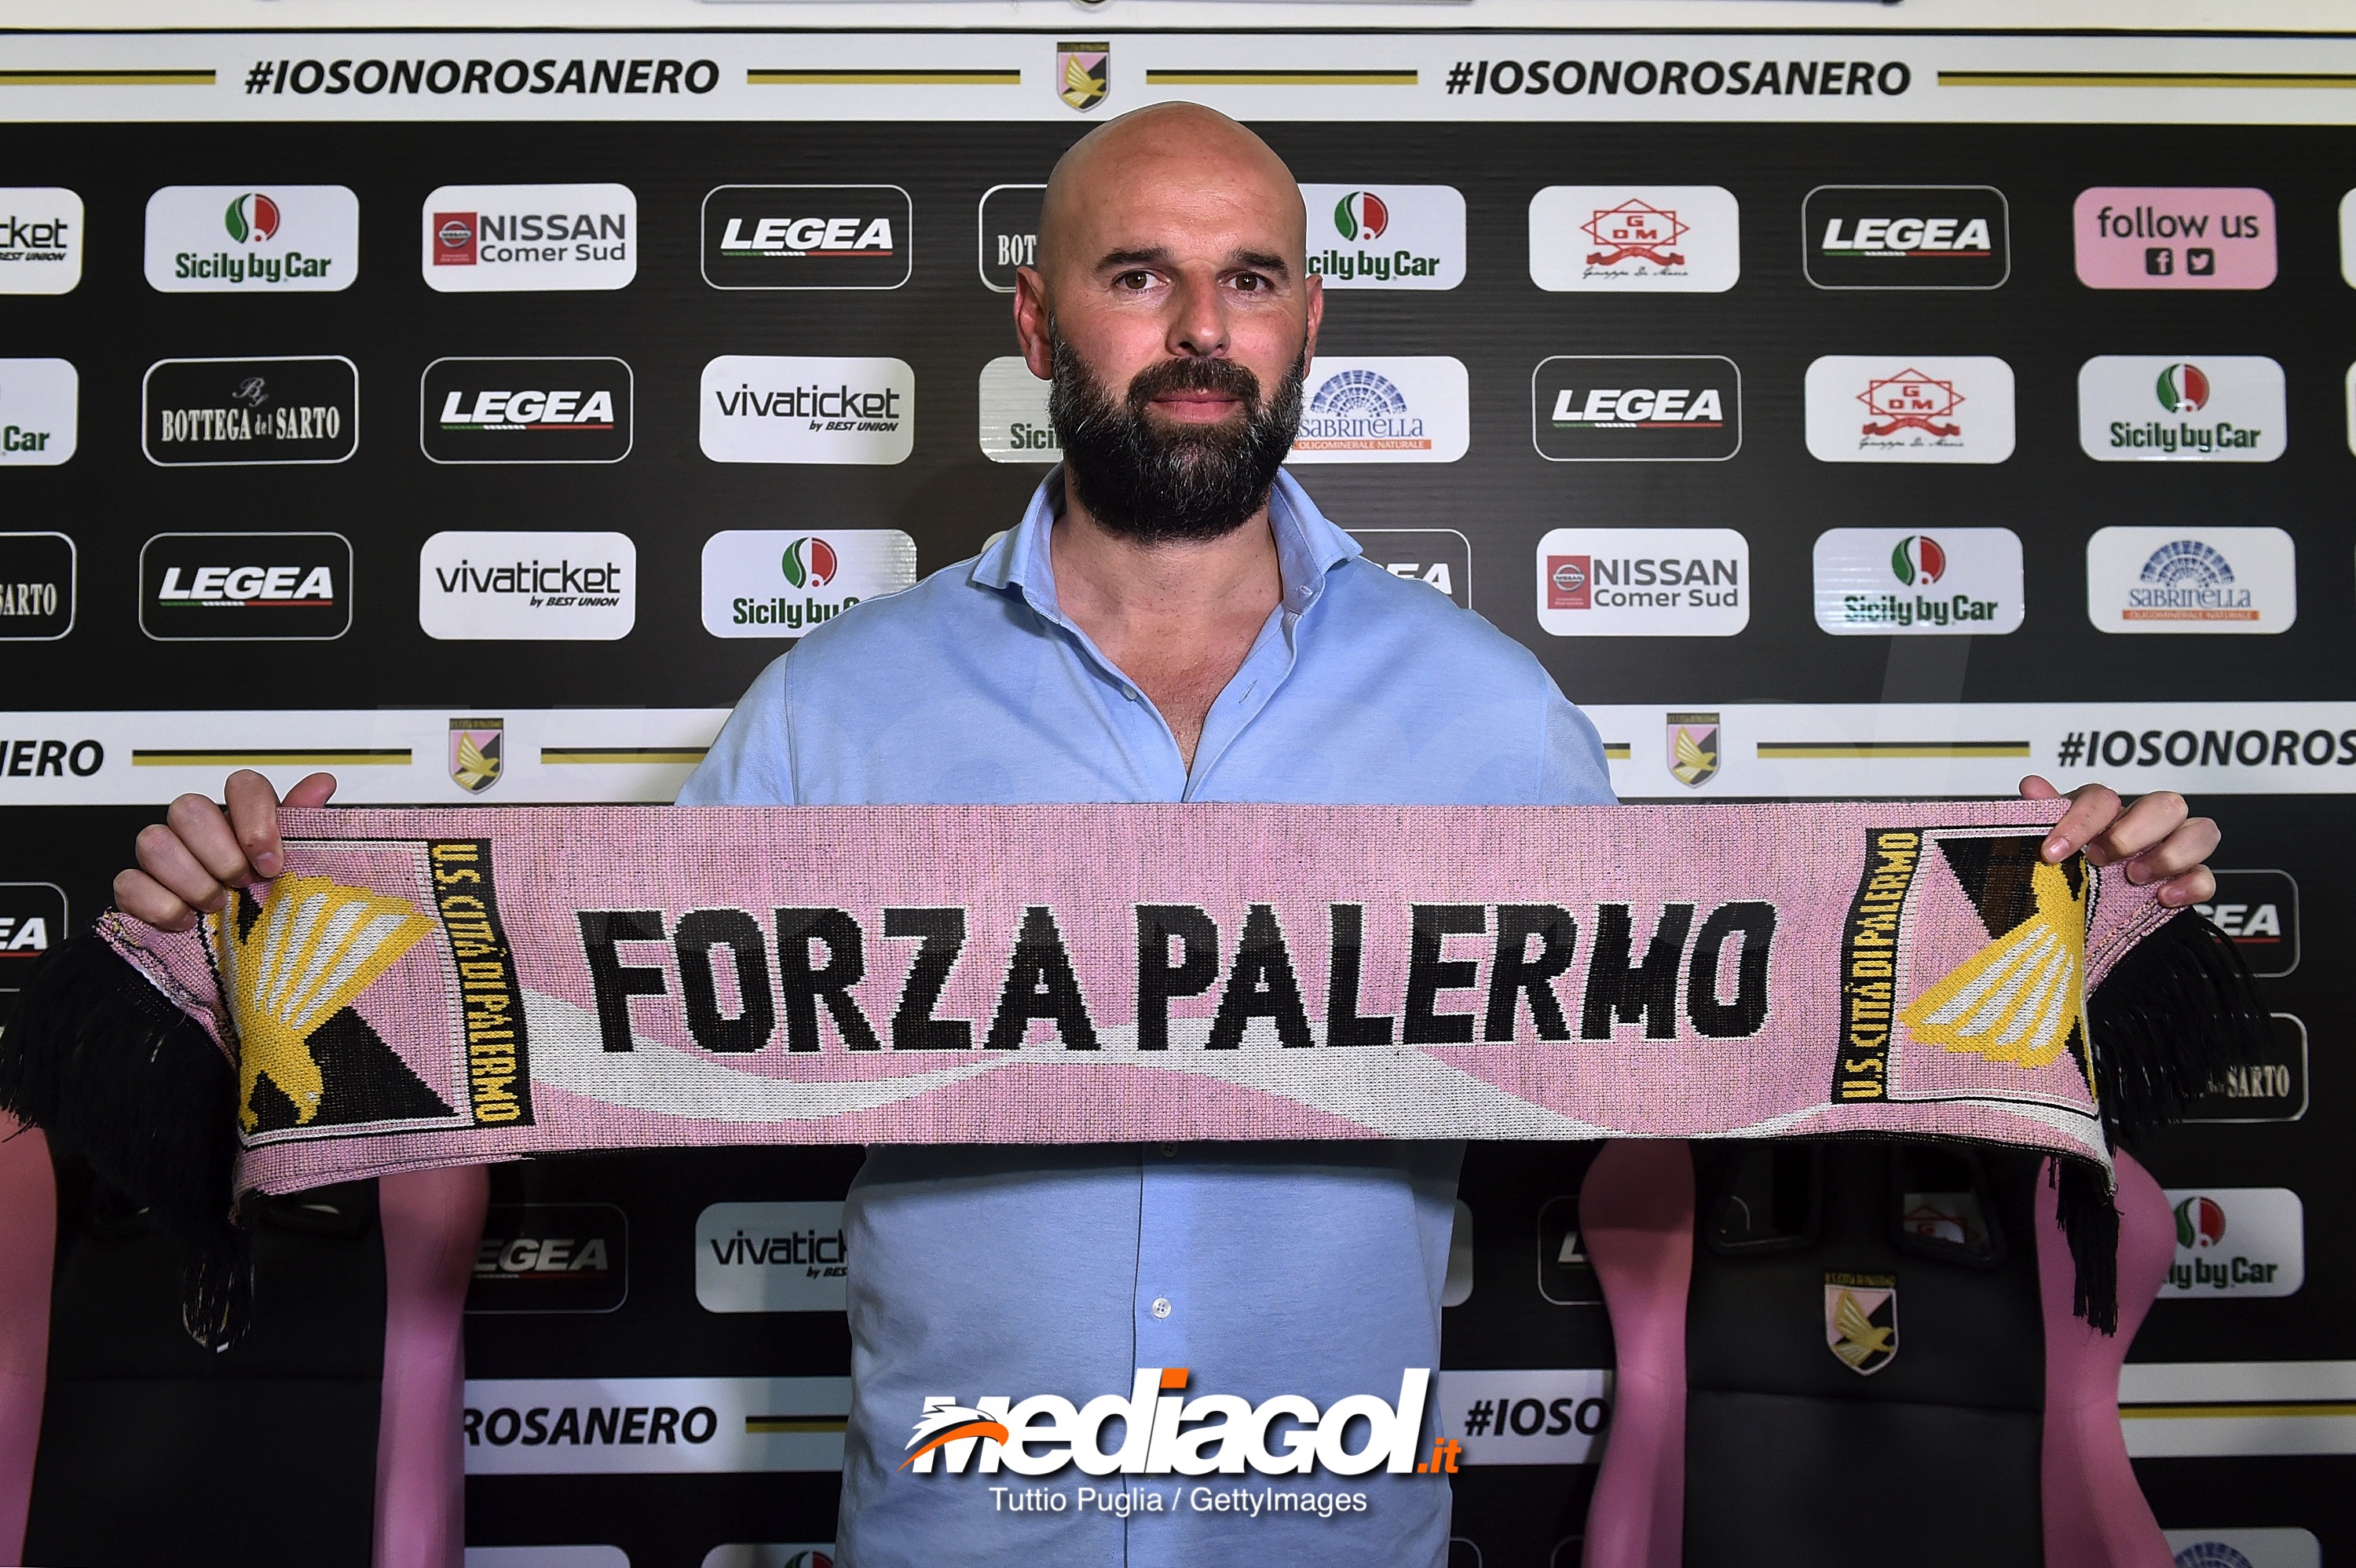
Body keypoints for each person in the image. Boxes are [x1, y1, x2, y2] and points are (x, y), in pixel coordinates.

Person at [116, 104, 2222, 1566]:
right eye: (1137, 276)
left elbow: (1721, 1054)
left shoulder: (1493, 717)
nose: (1197, 328)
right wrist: (238, 945)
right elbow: (572, 1025)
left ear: (1313, 329)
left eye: (1249, 280)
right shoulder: (833, 711)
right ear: (1041, 333)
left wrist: (2063, 937)